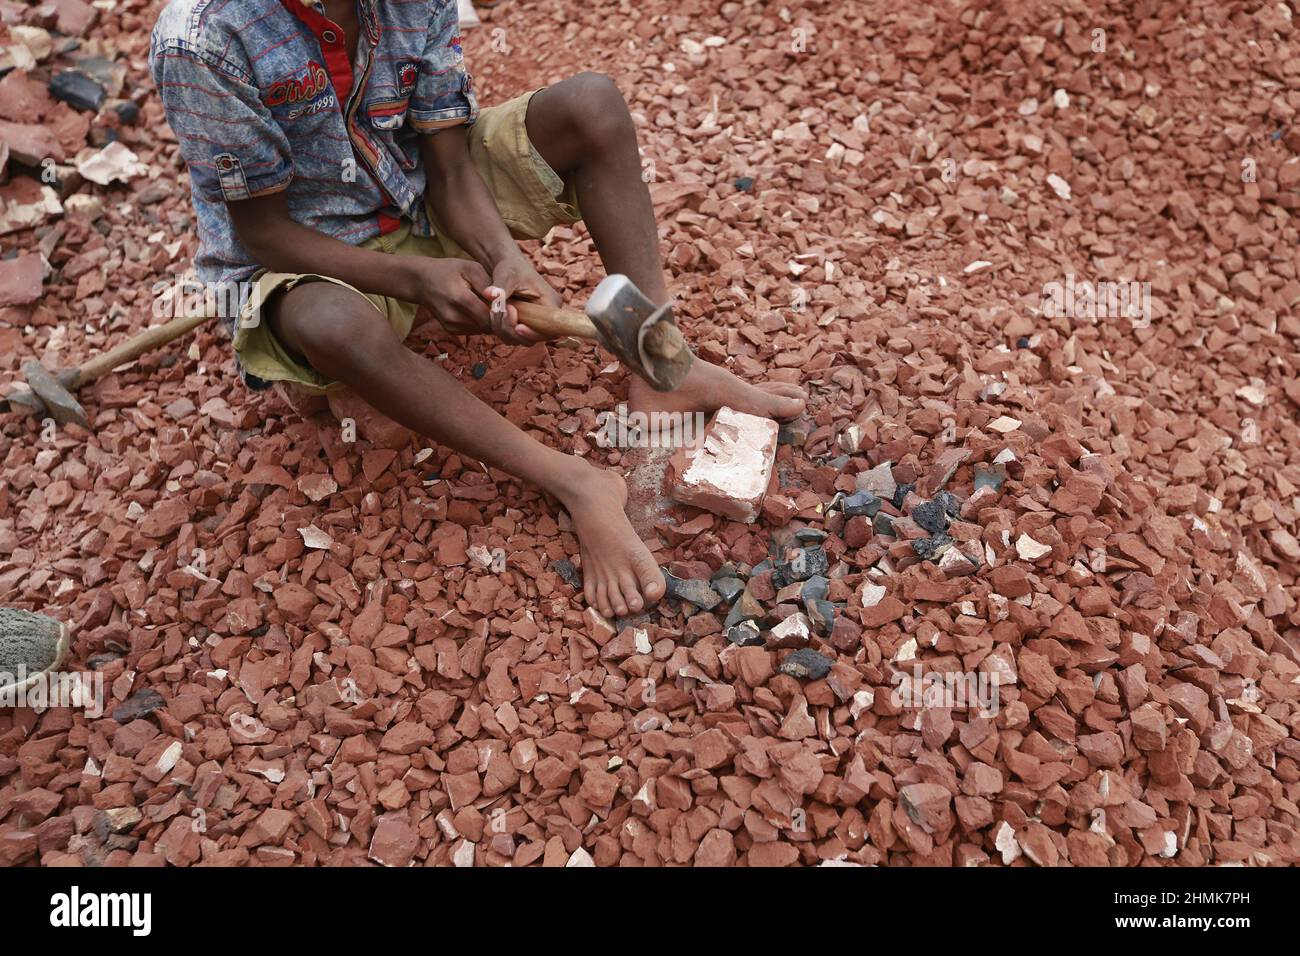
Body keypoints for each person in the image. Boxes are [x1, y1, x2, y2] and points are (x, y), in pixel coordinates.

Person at [149, 0, 806, 619]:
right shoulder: (205, 35)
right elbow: (262, 232)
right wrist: (414, 277)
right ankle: (576, 482)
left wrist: (501, 258)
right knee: (332, 326)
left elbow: (452, 165)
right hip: (309, 253)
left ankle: (660, 362)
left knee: (590, 106)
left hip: (413, 195)